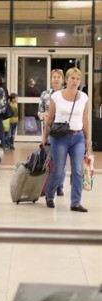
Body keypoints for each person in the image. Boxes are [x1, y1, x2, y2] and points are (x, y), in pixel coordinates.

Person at [42, 67, 92, 213]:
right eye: (72, 78)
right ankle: (50, 195)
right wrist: (45, 137)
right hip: (59, 137)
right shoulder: (56, 96)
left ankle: (75, 202)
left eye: (77, 79)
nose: (75, 81)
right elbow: (50, 119)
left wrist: (88, 139)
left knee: (77, 170)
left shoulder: (84, 97)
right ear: (66, 80)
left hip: (78, 138)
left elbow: (85, 120)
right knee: (58, 169)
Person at [38, 69, 66, 196]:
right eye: (54, 77)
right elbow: (40, 111)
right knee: (47, 158)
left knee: (61, 159)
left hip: (62, 131)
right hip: (48, 130)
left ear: (62, 80)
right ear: (51, 79)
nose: (56, 79)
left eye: (58, 77)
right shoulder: (45, 94)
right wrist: (42, 114)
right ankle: (46, 185)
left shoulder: (66, 94)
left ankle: (59, 186)